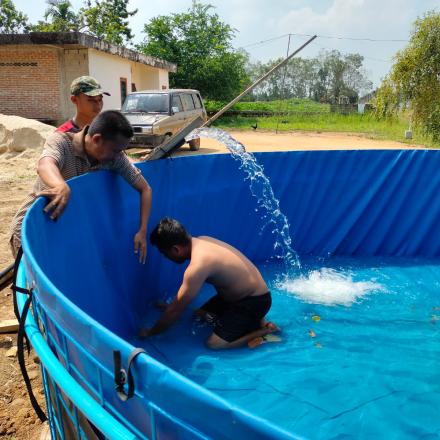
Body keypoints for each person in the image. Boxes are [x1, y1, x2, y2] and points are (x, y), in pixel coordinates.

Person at [10, 110, 152, 263]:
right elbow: (45, 164)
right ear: (97, 139)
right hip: (31, 229)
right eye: (116, 150)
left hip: (63, 230)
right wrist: (60, 186)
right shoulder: (62, 142)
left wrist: (142, 231)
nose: (119, 155)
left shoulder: (115, 158)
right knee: (31, 278)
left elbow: (145, 189)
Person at [140, 218, 279, 349]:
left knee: (214, 344)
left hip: (254, 301)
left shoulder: (198, 265)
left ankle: (265, 330)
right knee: (201, 315)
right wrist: (173, 307)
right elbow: (178, 305)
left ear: (176, 249)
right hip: (241, 295)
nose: (166, 258)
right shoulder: (202, 240)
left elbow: (176, 310)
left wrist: (151, 332)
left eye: (165, 254)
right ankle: (257, 320)